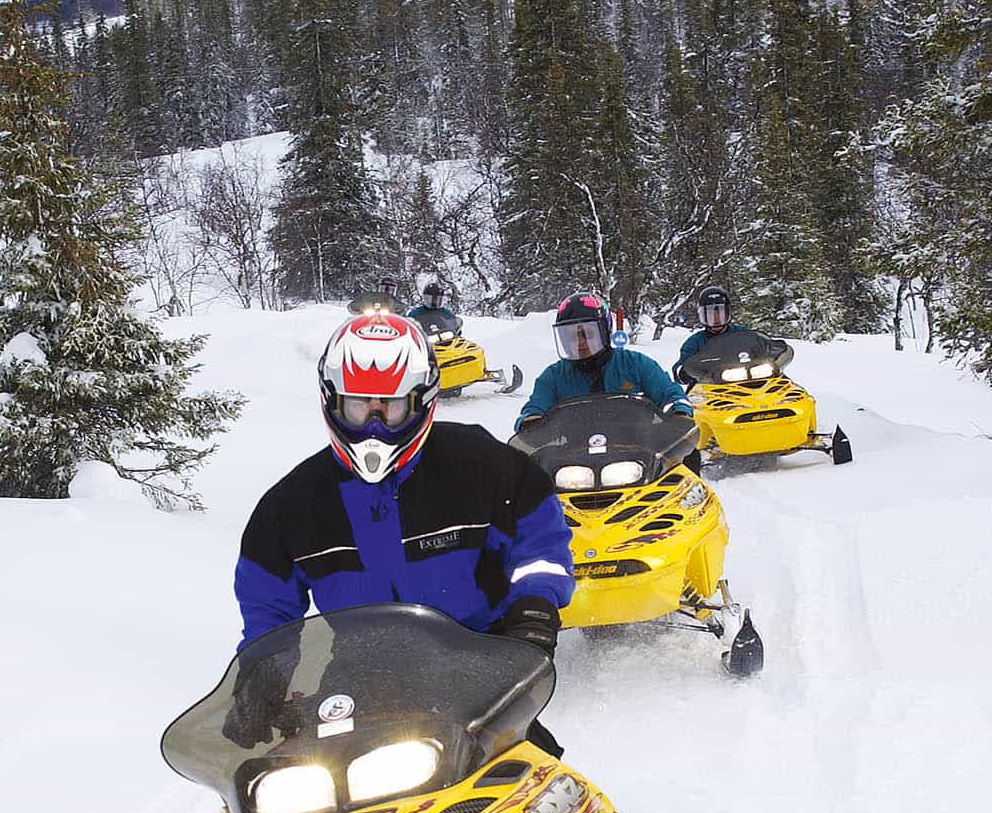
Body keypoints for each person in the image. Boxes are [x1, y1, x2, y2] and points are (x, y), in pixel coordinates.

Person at [235, 312, 573, 715]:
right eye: (359, 405)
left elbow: (539, 541)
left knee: (534, 770)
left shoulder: (486, 468)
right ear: (332, 401)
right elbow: (267, 610)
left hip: (486, 668)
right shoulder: (292, 505)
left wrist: (534, 607)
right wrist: (261, 681)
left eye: (391, 406)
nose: (374, 423)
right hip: (359, 686)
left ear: (421, 402)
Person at [515, 292, 694, 430]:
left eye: (588, 333)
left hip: (640, 451)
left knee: (685, 462)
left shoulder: (637, 365)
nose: (580, 343)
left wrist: (679, 413)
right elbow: (535, 407)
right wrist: (530, 424)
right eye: (571, 336)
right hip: (574, 459)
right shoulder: (553, 377)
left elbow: (671, 394)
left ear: (605, 331)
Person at [673, 286, 771, 382]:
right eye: (710, 315)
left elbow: (762, 346)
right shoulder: (695, 342)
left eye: (720, 313)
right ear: (702, 315)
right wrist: (687, 372)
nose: (716, 319)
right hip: (710, 385)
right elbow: (680, 369)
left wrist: (769, 353)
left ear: (728, 313)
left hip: (746, 379)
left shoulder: (742, 333)